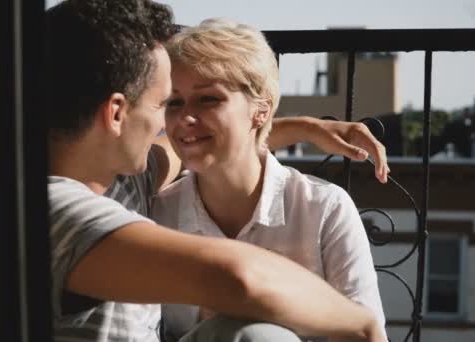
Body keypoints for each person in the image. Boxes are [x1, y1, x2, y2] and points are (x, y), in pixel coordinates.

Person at [46, 1, 389, 341]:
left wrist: (304, 127)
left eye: (208, 99)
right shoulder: (56, 209)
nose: (171, 124)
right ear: (117, 113)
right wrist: (363, 325)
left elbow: (208, 144)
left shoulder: (130, 180)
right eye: (165, 104)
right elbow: (239, 279)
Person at [151, 19, 387, 342]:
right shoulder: (156, 215)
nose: (185, 117)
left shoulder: (323, 209)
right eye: (174, 102)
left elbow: (365, 334)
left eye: (208, 99)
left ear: (260, 111)